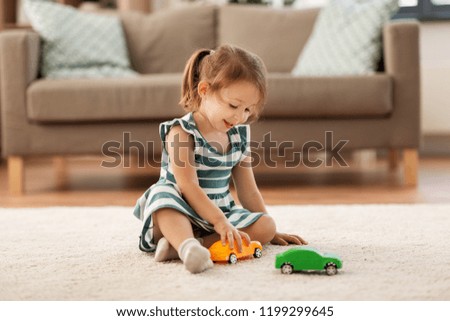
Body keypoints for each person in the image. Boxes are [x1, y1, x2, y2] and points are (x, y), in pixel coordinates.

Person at [133, 44, 307, 274]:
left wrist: (269, 232)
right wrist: (219, 222)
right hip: (181, 209)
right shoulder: (181, 132)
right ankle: (184, 241)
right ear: (204, 90)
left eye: (247, 110)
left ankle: (187, 249)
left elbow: (248, 190)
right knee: (162, 197)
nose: (239, 116)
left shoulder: (238, 134)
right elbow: (188, 185)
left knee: (266, 225)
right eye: (234, 105)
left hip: (220, 211)